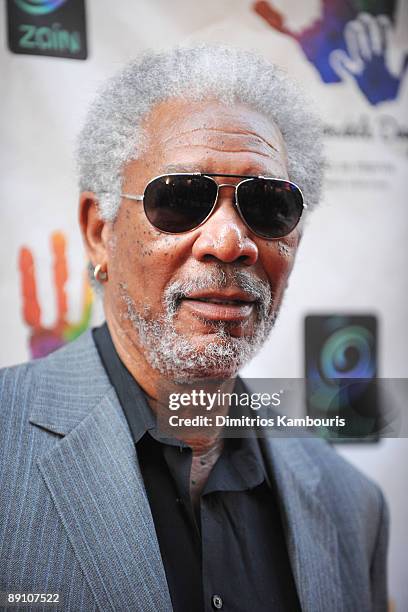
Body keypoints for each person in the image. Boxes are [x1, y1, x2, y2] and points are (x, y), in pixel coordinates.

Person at [0, 45, 388, 612]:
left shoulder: (353, 509)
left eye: (269, 205)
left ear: (294, 239)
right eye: (181, 199)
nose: (230, 242)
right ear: (97, 231)